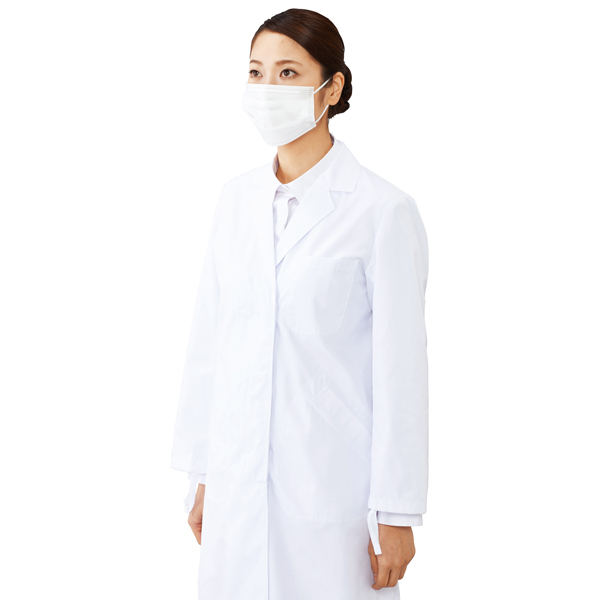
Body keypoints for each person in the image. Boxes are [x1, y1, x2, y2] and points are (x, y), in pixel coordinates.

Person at [171, 8, 429, 600]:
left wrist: (396, 509)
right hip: (236, 483)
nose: (268, 88)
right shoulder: (235, 201)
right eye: (256, 72)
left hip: (332, 488)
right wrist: (203, 472)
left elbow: (401, 373)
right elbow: (210, 345)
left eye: (288, 73)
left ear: (331, 88)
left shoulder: (381, 211)